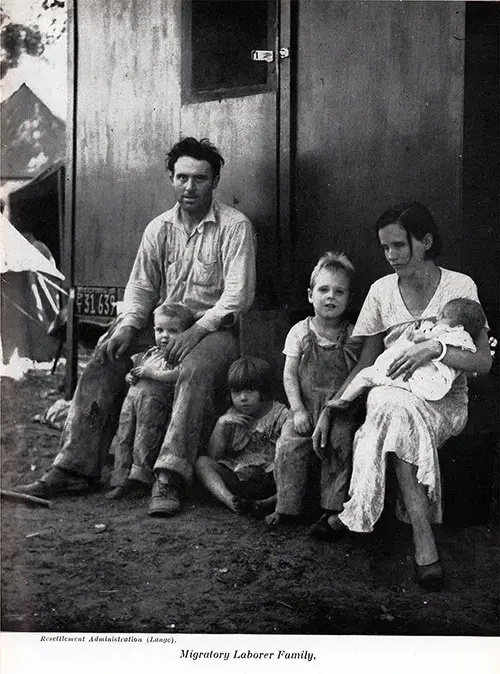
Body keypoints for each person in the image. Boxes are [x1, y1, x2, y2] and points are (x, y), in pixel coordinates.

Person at [19, 137, 256, 517]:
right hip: (163, 325)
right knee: (106, 353)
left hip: (213, 330)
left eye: (199, 178)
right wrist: (129, 325)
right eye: (181, 178)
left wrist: (196, 332)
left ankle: (169, 476)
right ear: (171, 179)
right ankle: (74, 466)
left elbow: (237, 298)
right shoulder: (158, 228)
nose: (189, 187)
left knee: (193, 369)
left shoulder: (234, 227)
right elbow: (141, 287)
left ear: (215, 181)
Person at [312, 202, 491, 591]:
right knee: (390, 405)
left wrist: (435, 350)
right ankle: (424, 544)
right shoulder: (380, 291)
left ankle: (352, 513)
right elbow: (368, 361)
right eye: (385, 248)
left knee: (393, 412)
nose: (391, 256)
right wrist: (334, 405)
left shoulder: (460, 288)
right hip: (389, 389)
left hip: (441, 397)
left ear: (425, 241)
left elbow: (483, 361)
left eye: (399, 245)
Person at [265, 252, 362, 527]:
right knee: (289, 447)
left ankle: (331, 508)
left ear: (349, 299)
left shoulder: (352, 334)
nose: (330, 296)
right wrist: (296, 409)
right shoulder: (300, 332)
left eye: (339, 291)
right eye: (323, 289)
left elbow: (356, 376)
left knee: (340, 445)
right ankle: (286, 506)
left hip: (338, 410)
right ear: (310, 295)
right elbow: (289, 375)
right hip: (305, 408)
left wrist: (341, 407)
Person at [105, 302, 195, 499]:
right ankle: (120, 477)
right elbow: (134, 371)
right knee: (125, 436)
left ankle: (140, 478)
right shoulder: (149, 353)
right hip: (132, 406)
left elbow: (178, 375)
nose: (164, 336)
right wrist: (130, 377)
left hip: (155, 407)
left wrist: (152, 374)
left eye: (173, 330)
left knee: (145, 438)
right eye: (159, 329)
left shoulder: (179, 357)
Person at [330, 298, 486, 405]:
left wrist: (422, 331)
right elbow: (470, 364)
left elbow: (426, 338)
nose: (438, 318)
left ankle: (344, 400)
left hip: (419, 380)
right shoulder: (465, 341)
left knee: (368, 376)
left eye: (443, 316)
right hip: (434, 389)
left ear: (458, 327)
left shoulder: (445, 331)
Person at [195, 356, 289, 515]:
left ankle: (268, 503)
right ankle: (231, 501)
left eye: (250, 391)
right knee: (202, 462)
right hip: (238, 478)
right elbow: (214, 456)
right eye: (236, 392)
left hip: (269, 478)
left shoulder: (280, 414)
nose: (243, 398)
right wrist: (221, 424)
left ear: (263, 390)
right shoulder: (231, 415)